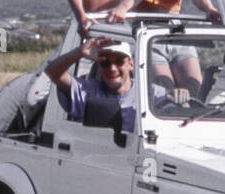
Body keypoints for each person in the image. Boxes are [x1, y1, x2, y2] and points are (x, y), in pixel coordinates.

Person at [44, 37, 188, 133]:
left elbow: (183, 120)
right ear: (99, 68)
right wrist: (80, 52)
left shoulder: (151, 93)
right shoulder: (86, 91)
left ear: (131, 64)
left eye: (119, 62)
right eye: (105, 63)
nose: (112, 69)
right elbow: (52, 72)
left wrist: (182, 100)